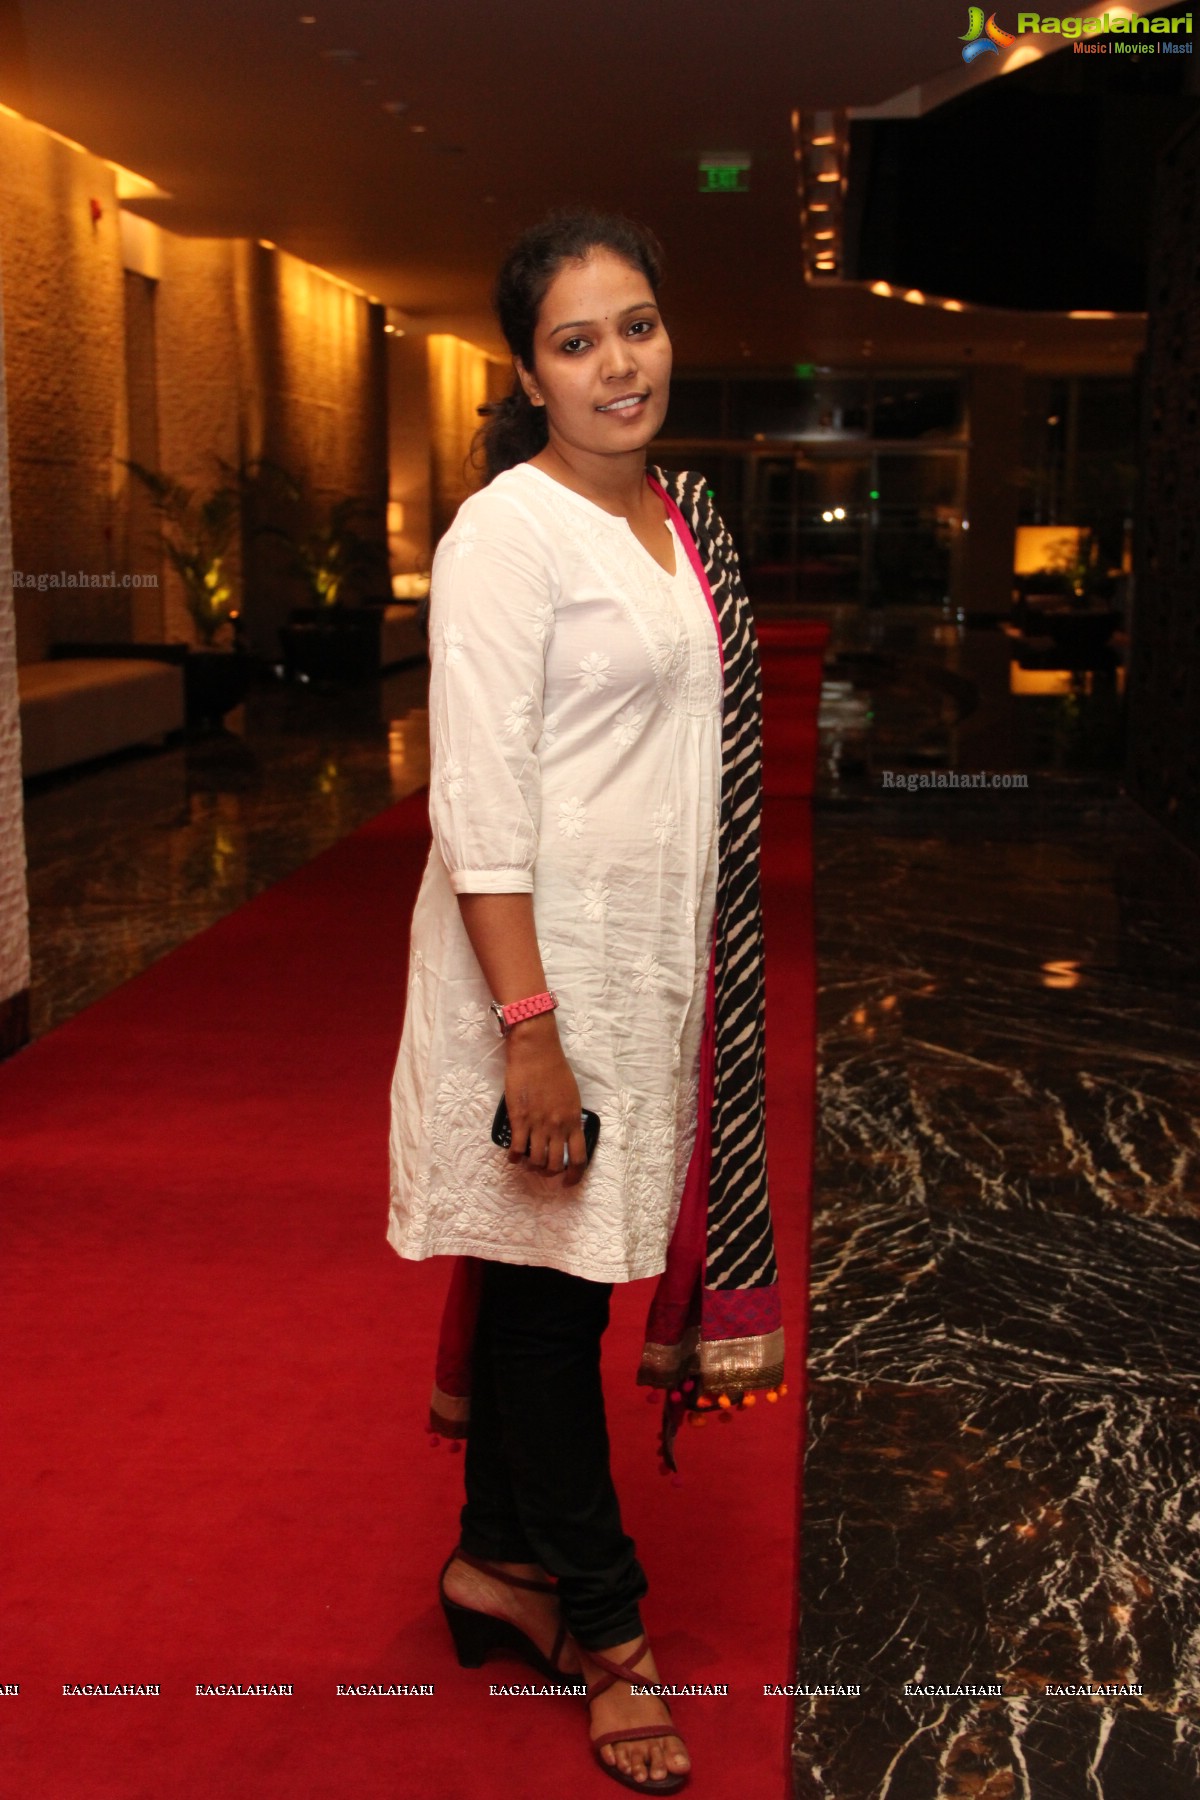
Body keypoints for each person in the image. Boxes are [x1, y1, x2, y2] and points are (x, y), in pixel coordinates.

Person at [387, 208, 784, 1794]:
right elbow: (477, 804)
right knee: (552, 1309)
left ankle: (493, 1567)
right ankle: (608, 1632)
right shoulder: (508, 533)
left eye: (638, 325)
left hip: (644, 974)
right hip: (534, 983)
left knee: (563, 1288)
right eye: (578, 340)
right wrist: (531, 1035)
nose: (621, 362)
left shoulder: (676, 522)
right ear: (529, 374)